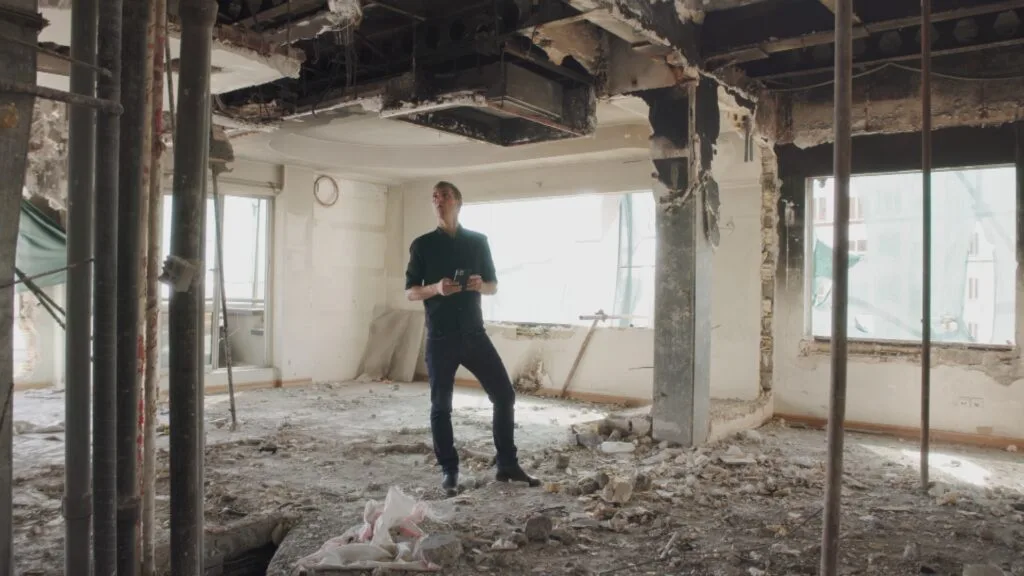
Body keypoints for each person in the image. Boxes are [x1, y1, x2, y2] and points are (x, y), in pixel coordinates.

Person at [405, 181, 540, 494]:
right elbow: (411, 292)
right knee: (441, 406)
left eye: (445, 195)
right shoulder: (422, 245)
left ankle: (507, 464)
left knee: (504, 395)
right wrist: (435, 289)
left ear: (458, 202)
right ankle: (449, 471)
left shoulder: (478, 242)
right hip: (440, 337)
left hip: (474, 333)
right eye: (434, 196)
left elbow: (493, 285)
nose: (439, 200)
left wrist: (480, 285)